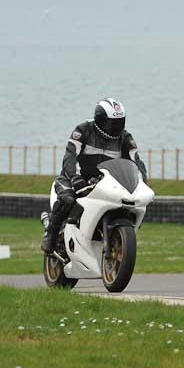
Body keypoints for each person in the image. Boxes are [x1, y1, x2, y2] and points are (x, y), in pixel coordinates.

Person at [41, 97, 147, 254]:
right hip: (73, 178)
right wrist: (76, 178)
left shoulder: (125, 138)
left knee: (129, 206)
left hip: (105, 182)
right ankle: (50, 236)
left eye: (120, 122)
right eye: (113, 122)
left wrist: (141, 184)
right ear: (101, 120)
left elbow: (136, 162)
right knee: (68, 198)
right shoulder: (83, 130)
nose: (117, 126)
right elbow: (70, 156)